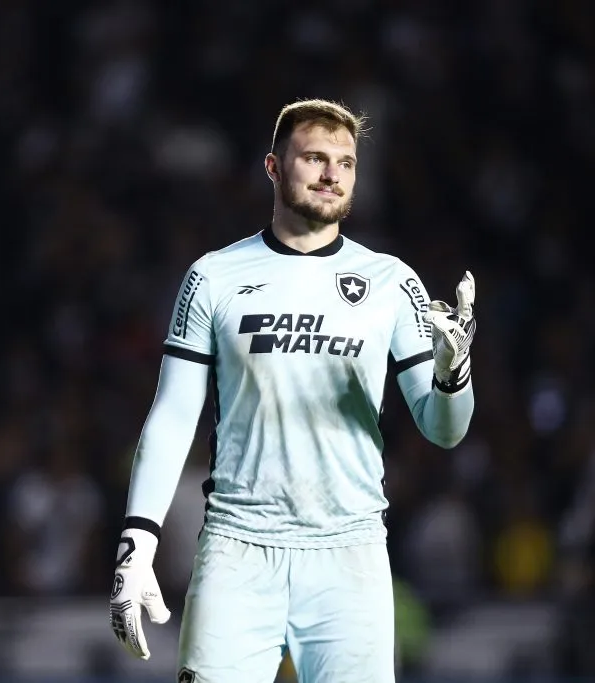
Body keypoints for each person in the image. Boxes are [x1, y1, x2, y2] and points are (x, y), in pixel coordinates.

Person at [108, 99, 477, 683]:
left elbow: (443, 428)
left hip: (349, 553)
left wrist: (453, 374)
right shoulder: (214, 277)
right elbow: (175, 414)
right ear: (274, 168)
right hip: (237, 548)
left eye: (346, 163)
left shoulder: (391, 281)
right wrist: (137, 544)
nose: (333, 174)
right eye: (315, 158)